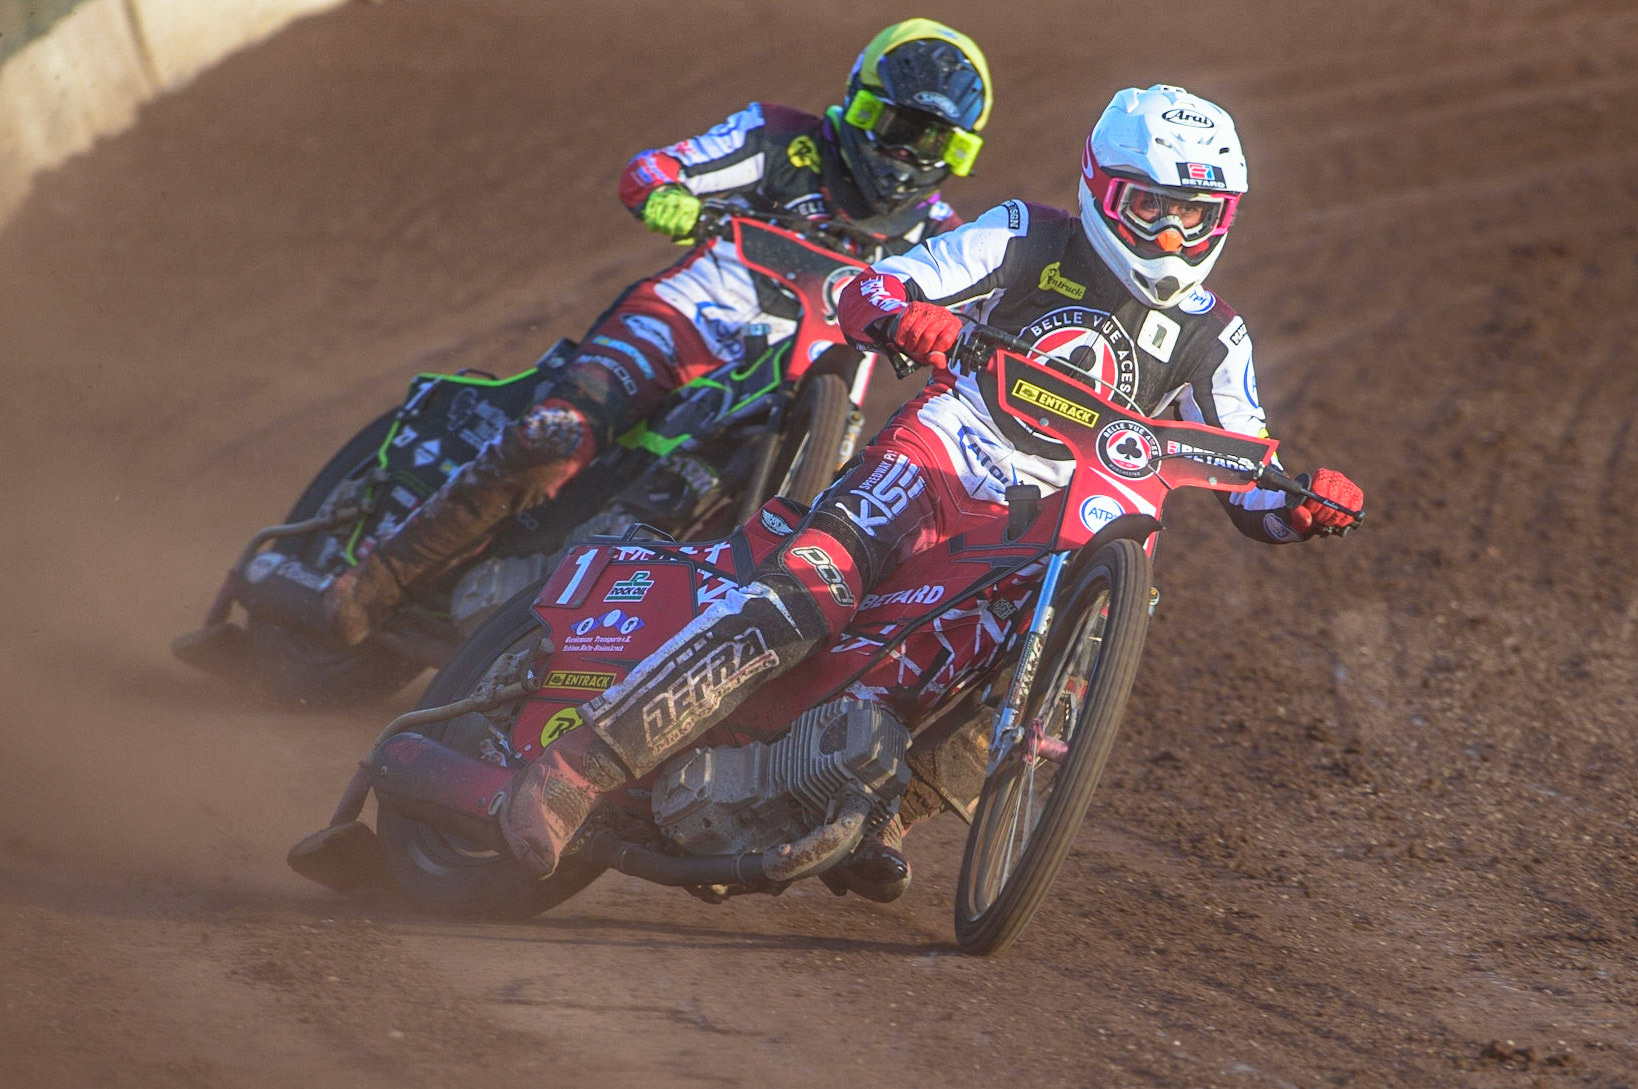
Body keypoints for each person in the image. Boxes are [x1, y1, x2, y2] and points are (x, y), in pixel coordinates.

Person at [499, 85, 1366, 900]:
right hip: (947, 449)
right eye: (1154, 212)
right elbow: (876, 284)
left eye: (1196, 219)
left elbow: (1246, 469)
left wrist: (1299, 504)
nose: (1174, 239)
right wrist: (906, 313)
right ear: (1104, 192)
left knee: (1055, 664)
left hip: (1055, 519)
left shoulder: (1218, 337)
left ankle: (883, 810)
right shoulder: (1030, 234)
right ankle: (576, 767)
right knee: (804, 596)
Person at [322, 19, 993, 646]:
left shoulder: (944, 236)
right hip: (683, 325)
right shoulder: (777, 139)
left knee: (826, 542)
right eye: (897, 124)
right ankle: (377, 581)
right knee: (557, 434)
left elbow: (986, 317)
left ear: (959, 153)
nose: (907, 152)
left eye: (933, 139)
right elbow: (655, 168)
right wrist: (669, 194)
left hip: (813, 390)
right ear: (860, 103)